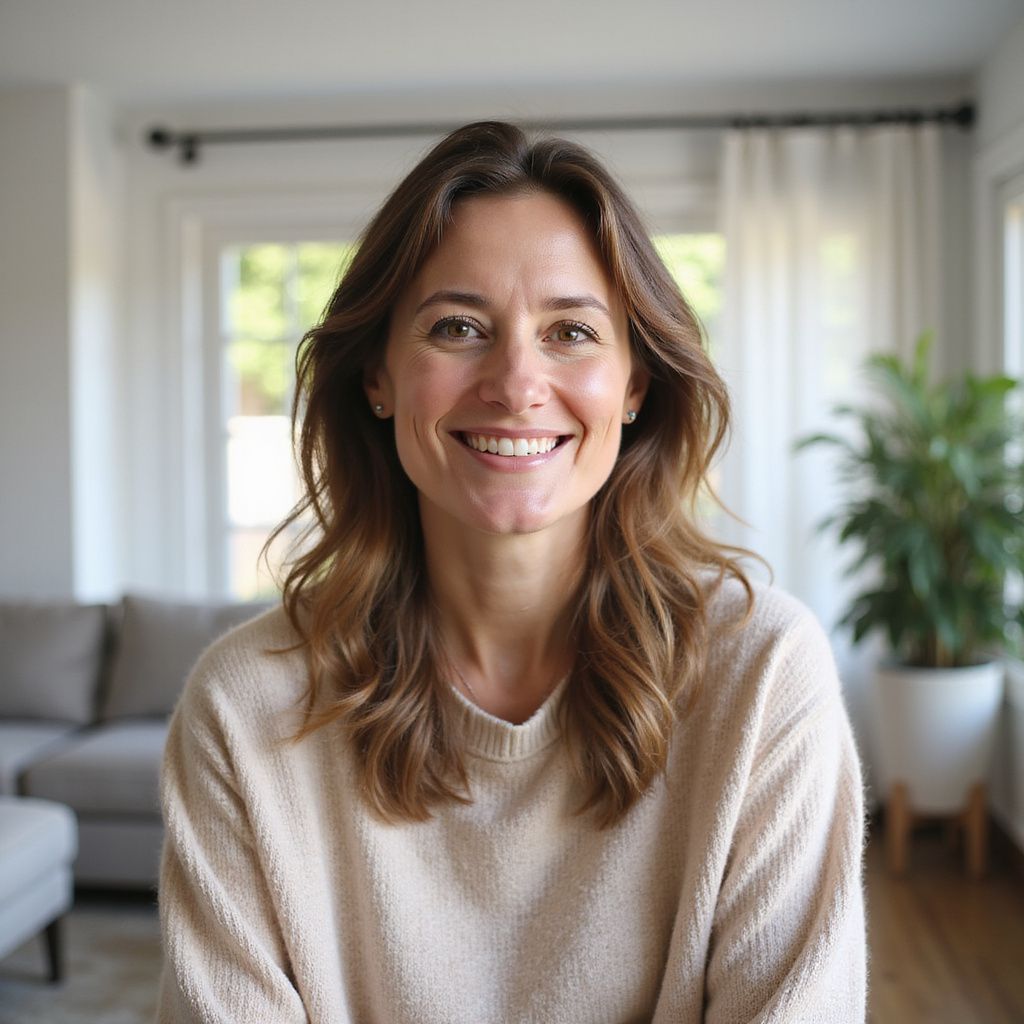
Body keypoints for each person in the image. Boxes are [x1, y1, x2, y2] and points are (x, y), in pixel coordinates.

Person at [156, 120, 868, 1023]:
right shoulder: (241, 707)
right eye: (457, 327)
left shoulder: (762, 673)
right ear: (378, 376)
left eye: (571, 331)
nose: (516, 383)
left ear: (634, 385)